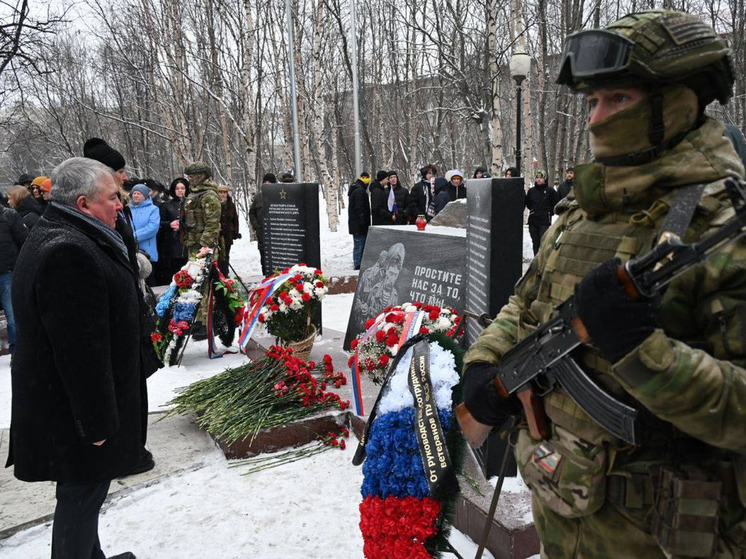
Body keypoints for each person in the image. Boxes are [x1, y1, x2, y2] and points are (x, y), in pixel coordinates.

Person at [462, 10, 746, 559]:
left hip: (665, 534)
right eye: (592, 101)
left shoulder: (722, 224)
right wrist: (487, 363)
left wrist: (642, 350)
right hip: (564, 510)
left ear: (678, 101)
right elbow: (526, 302)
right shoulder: (582, 211)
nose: (596, 119)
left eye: (618, 99)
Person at [6, 157, 141, 559]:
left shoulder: (64, 232)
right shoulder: (69, 251)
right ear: (83, 203)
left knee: (86, 490)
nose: (120, 204)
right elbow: (80, 349)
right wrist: (96, 422)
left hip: (67, 405)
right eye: (113, 197)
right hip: (76, 412)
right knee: (81, 496)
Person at [83, 136, 157, 477]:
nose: (125, 178)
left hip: (130, 308)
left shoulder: (118, 205)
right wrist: (134, 265)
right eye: (119, 172)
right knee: (125, 388)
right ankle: (127, 451)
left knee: (134, 385)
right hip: (120, 314)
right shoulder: (101, 211)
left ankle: (133, 446)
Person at [182, 161, 222, 339]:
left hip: (203, 248)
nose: (191, 179)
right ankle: (198, 320)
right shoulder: (194, 194)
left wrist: (205, 245)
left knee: (204, 285)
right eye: (190, 176)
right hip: (194, 245)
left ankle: (205, 323)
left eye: (195, 176)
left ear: (203, 176)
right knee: (195, 284)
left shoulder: (208, 195)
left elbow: (213, 224)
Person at [0, 198, 28, 354]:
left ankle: (17, 352)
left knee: (13, 317)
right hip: (8, 271)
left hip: (8, 272)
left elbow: (24, 240)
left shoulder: (9, 215)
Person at [157, 177, 189, 284]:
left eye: (182, 188)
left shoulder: (191, 204)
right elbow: (160, 223)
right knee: (175, 273)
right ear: (174, 190)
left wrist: (183, 226)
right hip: (172, 244)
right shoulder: (167, 205)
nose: (180, 190)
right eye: (177, 188)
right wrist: (169, 224)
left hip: (189, 243)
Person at [129, 184, 160, 286]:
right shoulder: (128, 209)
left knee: (149, 280)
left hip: (147, 250)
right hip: (131, 249)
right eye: (134, 193)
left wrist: (133, 236)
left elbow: (152, 228)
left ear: (145, 196)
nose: (136, 196)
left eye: (139, 193)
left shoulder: (153, 209)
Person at [524, 169, 558, 255]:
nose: (539, 179)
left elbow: (556, 203)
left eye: (541, 178)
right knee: (535, 242)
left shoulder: (550, 191)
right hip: (533, 221)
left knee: (543, 242)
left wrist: (549, 212)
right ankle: (536, 260)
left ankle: (542, 261)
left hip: (545, 221)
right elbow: (528, 204)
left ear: (545, 179)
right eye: (537, 178)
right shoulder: (531, 191)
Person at [250, 173, 275, 276]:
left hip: (276, 234)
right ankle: (266, 277)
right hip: (262, 234)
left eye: (269, 183)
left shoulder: (279, 196)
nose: (267, 185)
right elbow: (252, 213)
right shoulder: (258, 197)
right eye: (265, 183)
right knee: (264, 259)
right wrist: (256, 226)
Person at [348, 171, 371, 270]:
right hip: (359, 224)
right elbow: (360, 208)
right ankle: (358, 264)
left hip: (356, 224)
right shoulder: (360, 191)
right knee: (360, 245)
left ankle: (358, 262)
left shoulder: (356, 189)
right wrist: (363, 222)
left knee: (358, 244)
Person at [217, 184, 240, 277]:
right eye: (221, 192)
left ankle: (225, 273)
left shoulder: (231, 205)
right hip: (217, 235)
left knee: (226, 254)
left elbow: (235, 220)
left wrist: (235, 232)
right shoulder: (215, 205)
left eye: (225, 192)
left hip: (228, 234)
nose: (223, 194)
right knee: (218, 256)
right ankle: (218, 274)